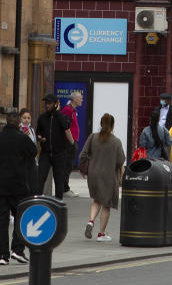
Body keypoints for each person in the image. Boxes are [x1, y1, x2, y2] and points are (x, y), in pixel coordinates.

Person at [0, 110, 37, 265]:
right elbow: (34, 152)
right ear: (19, 123)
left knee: (2, 221)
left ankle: (3, 255)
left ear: (6, 122)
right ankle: (17, 250)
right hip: (18, 187)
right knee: (21, 218)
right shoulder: (23, 139)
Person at [78, 112, 125, 243]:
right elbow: (121, 160)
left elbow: (82, 155)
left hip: (93, 174)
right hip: (108, 176)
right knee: (106, 204)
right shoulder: (116, 141)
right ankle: (101, 233)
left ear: (100, 124)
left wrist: (84, 169)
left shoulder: (93, 137)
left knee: (96, 200)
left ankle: (91, 221)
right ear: (113, 125)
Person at [36, 94, 74, 198]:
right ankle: (37, 202)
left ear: (56, 104)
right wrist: (40, 138)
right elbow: (38, 132)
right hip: (46, 153)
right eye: (46, 103)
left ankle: (58, 204)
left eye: (50, 103)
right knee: (40, 179)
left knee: (59, 182)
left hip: (60, 153)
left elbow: (66, 126)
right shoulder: (42, 118)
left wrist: (58, 113)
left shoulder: (62, 117)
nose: (47, 105)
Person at [59, 91, 82, 197]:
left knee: (69, 165)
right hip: (69, 141)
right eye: (80, 98)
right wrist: (72, 141)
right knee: (67, 165)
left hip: (72, 140)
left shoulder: (72, 110)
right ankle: (64, 189)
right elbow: (63, 126)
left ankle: (65, 187)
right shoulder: (67, 110)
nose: (82, 100)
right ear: (74, 99)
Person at [145, 92, 172, 159]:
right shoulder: (157, 109)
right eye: (161, 99)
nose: (162, 101)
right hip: (156, 132)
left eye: (164, 99)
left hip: (167, 133)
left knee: (166, 151)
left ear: (169, 101)